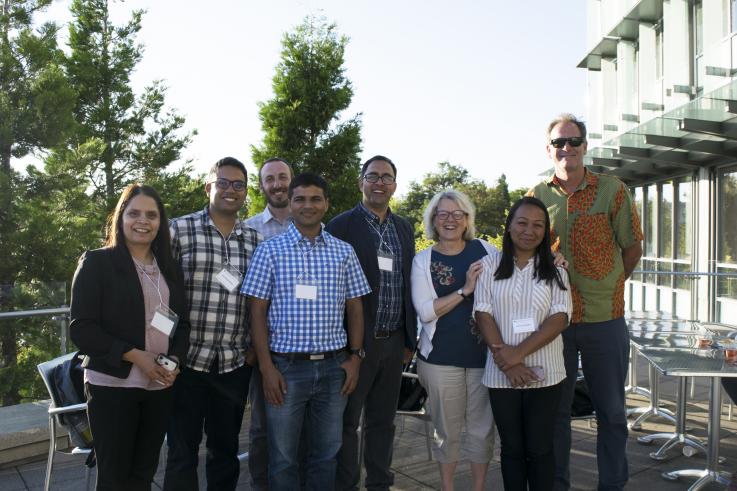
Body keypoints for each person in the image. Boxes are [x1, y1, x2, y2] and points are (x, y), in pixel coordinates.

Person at [528, 113, 643, 491]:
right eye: (559, 143)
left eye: (573, 141)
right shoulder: (537, 196)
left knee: (610, 412)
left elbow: (632, 247)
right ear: (548, 149)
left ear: (585, 146)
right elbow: (527, 250)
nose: (567, 149)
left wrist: (609, 284)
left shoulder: (613, 190)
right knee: (555, 414)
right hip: (554, 321)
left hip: (603, 319)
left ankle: (612, 484)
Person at [241, 172, 371, 491]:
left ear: (326, 204)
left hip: (333, 368)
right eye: (300, 198)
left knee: (326, 454)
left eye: (315, 198)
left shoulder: (344, 252)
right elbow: (256, 311)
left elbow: (355, 307)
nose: (307, 205)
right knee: (283, 457)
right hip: (285, 369)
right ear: (290, 202)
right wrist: (267, 367)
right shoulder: (270, 250)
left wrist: (355, 358)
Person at [70, 184, 190, 490]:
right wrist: (136, 356)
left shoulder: (170, 269)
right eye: (134, 212)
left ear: (161, 223)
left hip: (158, 386)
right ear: (120, 218)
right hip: (112, 386)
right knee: (114, 478)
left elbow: (182, 325)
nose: (143, 220)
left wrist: (174, 360)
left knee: (143, 474)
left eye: (152, 215)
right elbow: (82, 329)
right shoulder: (97, 262)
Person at [164, 157, 261, 491]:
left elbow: (260, 300)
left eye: (238, 184)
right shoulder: (178, 229)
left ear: (246, 192)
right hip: (186, 363)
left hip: (234, 365)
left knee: (225, 452)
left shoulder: (254, 240)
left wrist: (251, 353)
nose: (230, 190)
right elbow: (158, 292)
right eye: (223, 182)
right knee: (181, 452)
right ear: (208, 187)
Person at [328, 155, 417, 491]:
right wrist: (347, 346)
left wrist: (409, 340)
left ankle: (380, 483)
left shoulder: (404, 228)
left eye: (387, 177)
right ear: (361, 182)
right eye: (373, 176)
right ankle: (346, 484)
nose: (380, 182)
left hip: (394, 343)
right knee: (347, 422)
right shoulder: (341, 226)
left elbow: (409, 283)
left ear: (395, 184)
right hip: (356, 344)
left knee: (383, 421)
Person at [474, 196, 572, 491]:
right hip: (500, 376)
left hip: (546, 374)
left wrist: (515, 355)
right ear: (509, 226)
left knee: (541, 449)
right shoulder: (489, 265)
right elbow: (482, 311)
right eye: (522, 222)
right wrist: (507, 362)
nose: (529, 230)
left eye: (538, 225)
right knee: (512, 449)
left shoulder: (556, 269)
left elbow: (560, 317)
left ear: (545, 232)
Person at [409, 189, 497, 491]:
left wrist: (554, 258)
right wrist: (465, 290)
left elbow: (519, 275)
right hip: (440, 359)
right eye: (443, 214)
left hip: (484, 358)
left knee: (482, 430)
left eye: (457, 213)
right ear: (433, 219)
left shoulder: (487, 251)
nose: (450, 219)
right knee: (447, 431)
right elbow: (425, 311)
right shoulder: (423, 260)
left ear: (467, 219)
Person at [244, 157, 293, 490]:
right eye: (270, 179)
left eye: (283, 177)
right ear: (261, 186)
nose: (277, 184)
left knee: (299, 426)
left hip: (303, 345)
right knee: (262, 426)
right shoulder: (248, 230)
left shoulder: (316, 226)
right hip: (262, 346)